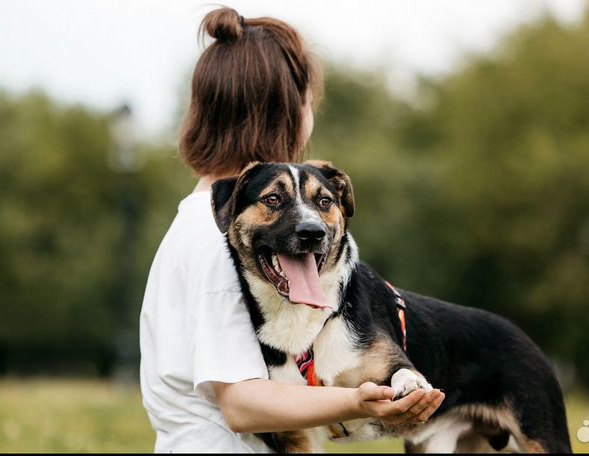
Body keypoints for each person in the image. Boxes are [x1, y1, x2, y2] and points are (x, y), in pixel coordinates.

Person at [139, 7, 445, 453]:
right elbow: (242, 403)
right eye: (308, 103)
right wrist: (355, 399)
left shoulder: (196, 219)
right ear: (287, 114)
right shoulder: (223, 238)